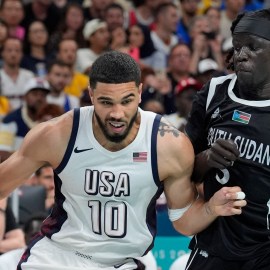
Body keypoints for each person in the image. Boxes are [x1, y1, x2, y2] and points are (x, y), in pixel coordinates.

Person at [0, 51, 246, 270]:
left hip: (122, 263)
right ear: (91, 95)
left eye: (126, 101)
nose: (117, 114)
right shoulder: (57, 134)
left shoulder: (168, 144)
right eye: (106, 102)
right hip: (56, 258)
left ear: (139, 92)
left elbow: (182, 223)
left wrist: (210, 208)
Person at [185, 8, 270, 270]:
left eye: (252, 48)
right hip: (212, 244)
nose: (241, 55)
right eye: (237, 46)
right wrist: (207, 158)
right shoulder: (213, 92)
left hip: (263, 251)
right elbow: (182, 171)